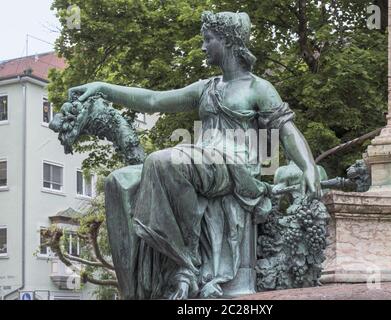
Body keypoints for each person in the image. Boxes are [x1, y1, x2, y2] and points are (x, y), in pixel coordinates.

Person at [68, 11, 321, 299]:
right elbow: (152, 100)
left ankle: (186, 265)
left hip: (235, 169)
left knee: (163, 160)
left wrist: (308, 167)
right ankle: (138, 290)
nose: (203, 46)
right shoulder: (206, 88)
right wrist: (103, 88)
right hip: (202, 163)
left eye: (208, 40)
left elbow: (287, 131)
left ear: (227, 41)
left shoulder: (258, 88)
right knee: (119, 182)